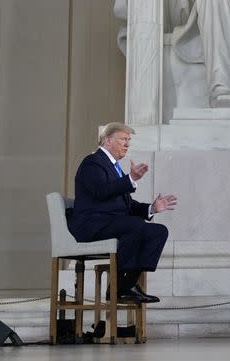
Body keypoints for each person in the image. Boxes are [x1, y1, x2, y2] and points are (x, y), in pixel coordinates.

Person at [68, 122, 178, 303]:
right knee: (135, 225)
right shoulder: (92, 162)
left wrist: (151, 208)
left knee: (158, 231)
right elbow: (101, 191)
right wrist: (131, 179)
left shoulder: (113, 167)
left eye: (129, 140)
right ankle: (120, 288)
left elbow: (125, 204)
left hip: (111, 223)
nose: (127, 144)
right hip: (91, 225)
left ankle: (127, 284)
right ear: (107, 140)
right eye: (123, 139)